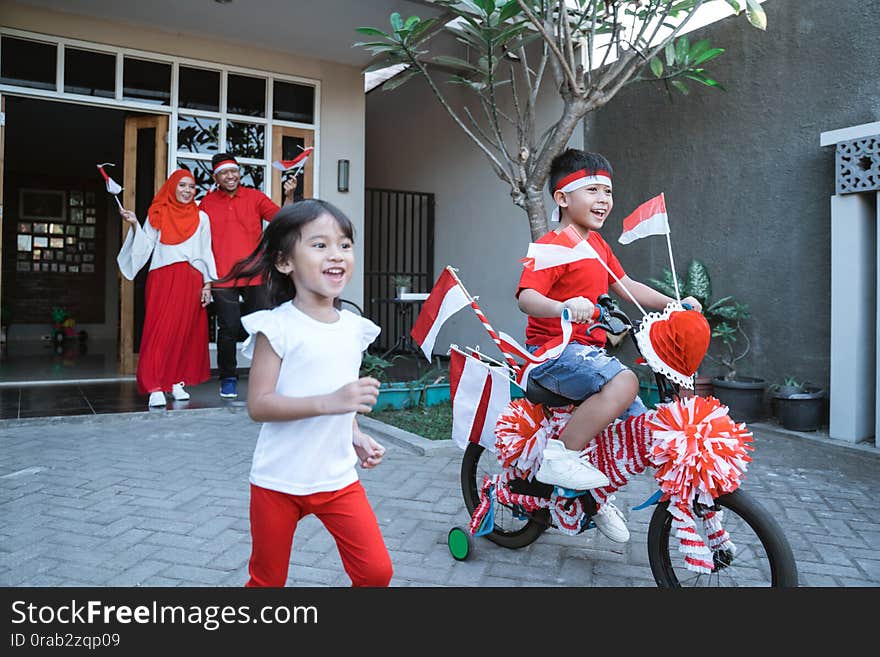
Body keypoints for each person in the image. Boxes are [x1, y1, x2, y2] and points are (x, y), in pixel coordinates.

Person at [516, 148, 702, 543]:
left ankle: (592, 499)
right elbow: (526, 297)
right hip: (553, 354)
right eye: (593, 190)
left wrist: (675, 304)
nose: (604, 200)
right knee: (625, 382)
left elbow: (627, 287)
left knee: (632, 429)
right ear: (562, 198)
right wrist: (564, 307)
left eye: (608, 192)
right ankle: (558, 458)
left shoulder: (597, 246)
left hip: (588, 357)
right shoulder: (552, 245)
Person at [223, 199, 393, 587]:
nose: (336, 255)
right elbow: (259, 405)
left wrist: (355, 434)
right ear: (285, 262)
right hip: (278, 481)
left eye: (345, 245)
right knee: (267, 581)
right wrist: (332, 402)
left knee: (375, 573)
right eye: (319, 245)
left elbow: (342, 401)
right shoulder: (276, 328)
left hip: (336, 480)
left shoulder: (354, 328)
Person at [199, 152, 297, 400]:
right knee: (228, 329)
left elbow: (282, 220)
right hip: (222, 276)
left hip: (256, 274)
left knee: (263, 328)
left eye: (233, 171)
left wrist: (288, 195)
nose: (230, 176)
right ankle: (228, 378)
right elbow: (195, 237)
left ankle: (267, 377)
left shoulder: (254, 197)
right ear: (216, 177)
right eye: (224, 173)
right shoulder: (207, 204)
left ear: (239, 173)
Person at [117, 169, 217, 408]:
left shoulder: (202, 217)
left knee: (185, 332)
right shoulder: (158, 213)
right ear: (172, 187)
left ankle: (174, 382)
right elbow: (145, 245)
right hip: (163, 277)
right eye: (182, 185)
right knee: (160, 332)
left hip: (192, 279)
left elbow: (206, 251)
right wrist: (134, 225)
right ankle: (154, 386)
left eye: (191, 187)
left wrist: (207, 284)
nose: (186, 191)